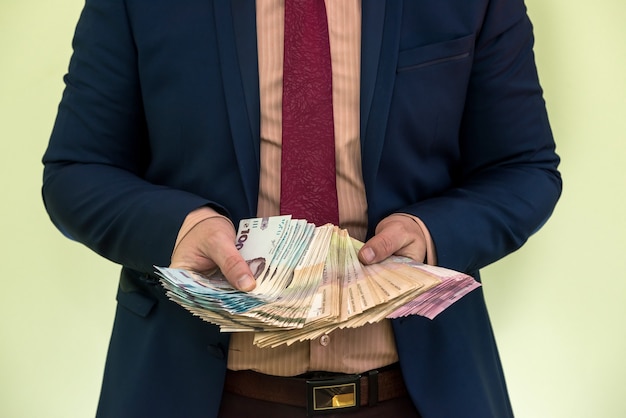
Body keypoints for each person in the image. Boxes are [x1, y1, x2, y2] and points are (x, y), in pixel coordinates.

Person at [42, 0, 562, 417]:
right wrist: (183, 228)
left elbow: (525, 167)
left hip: (420, 390)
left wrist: (429, 233)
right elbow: (76, 170)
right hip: (195, 389)